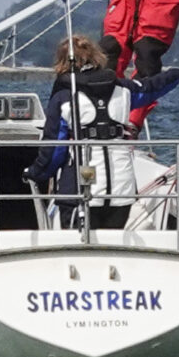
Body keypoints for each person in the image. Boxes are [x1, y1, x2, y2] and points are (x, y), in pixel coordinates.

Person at [25, 34, 127, 221]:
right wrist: (178, 74)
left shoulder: (63, 97)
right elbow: (150, 87)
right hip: (122, 189)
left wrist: (35, 173)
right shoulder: (123, 90)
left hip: (80, 186)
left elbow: (55, 149)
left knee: (79, 230)